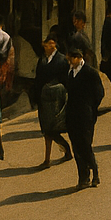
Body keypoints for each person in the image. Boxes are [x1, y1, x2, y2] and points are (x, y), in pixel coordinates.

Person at [64, 44, 105, 188]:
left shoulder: (90, 73)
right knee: (76, 147)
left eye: (71, 59)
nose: (70, 62)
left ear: (78, 58)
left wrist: (91, 108)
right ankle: (83, 177)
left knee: (85, 145)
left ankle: (95, 172)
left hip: (86, 116)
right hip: (72, 116)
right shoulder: (70, 73)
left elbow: (99, 93)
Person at [33, 34, 73, 167]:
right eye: (47, 43)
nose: (49, 46)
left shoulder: (61, 60)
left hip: (57, 98)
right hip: (44, 99)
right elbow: (38, 79)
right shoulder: (42, 60)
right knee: (46, 129)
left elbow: (66, 80)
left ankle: (63, 150)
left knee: (54, 128)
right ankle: (48, 158)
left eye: (51, 43)